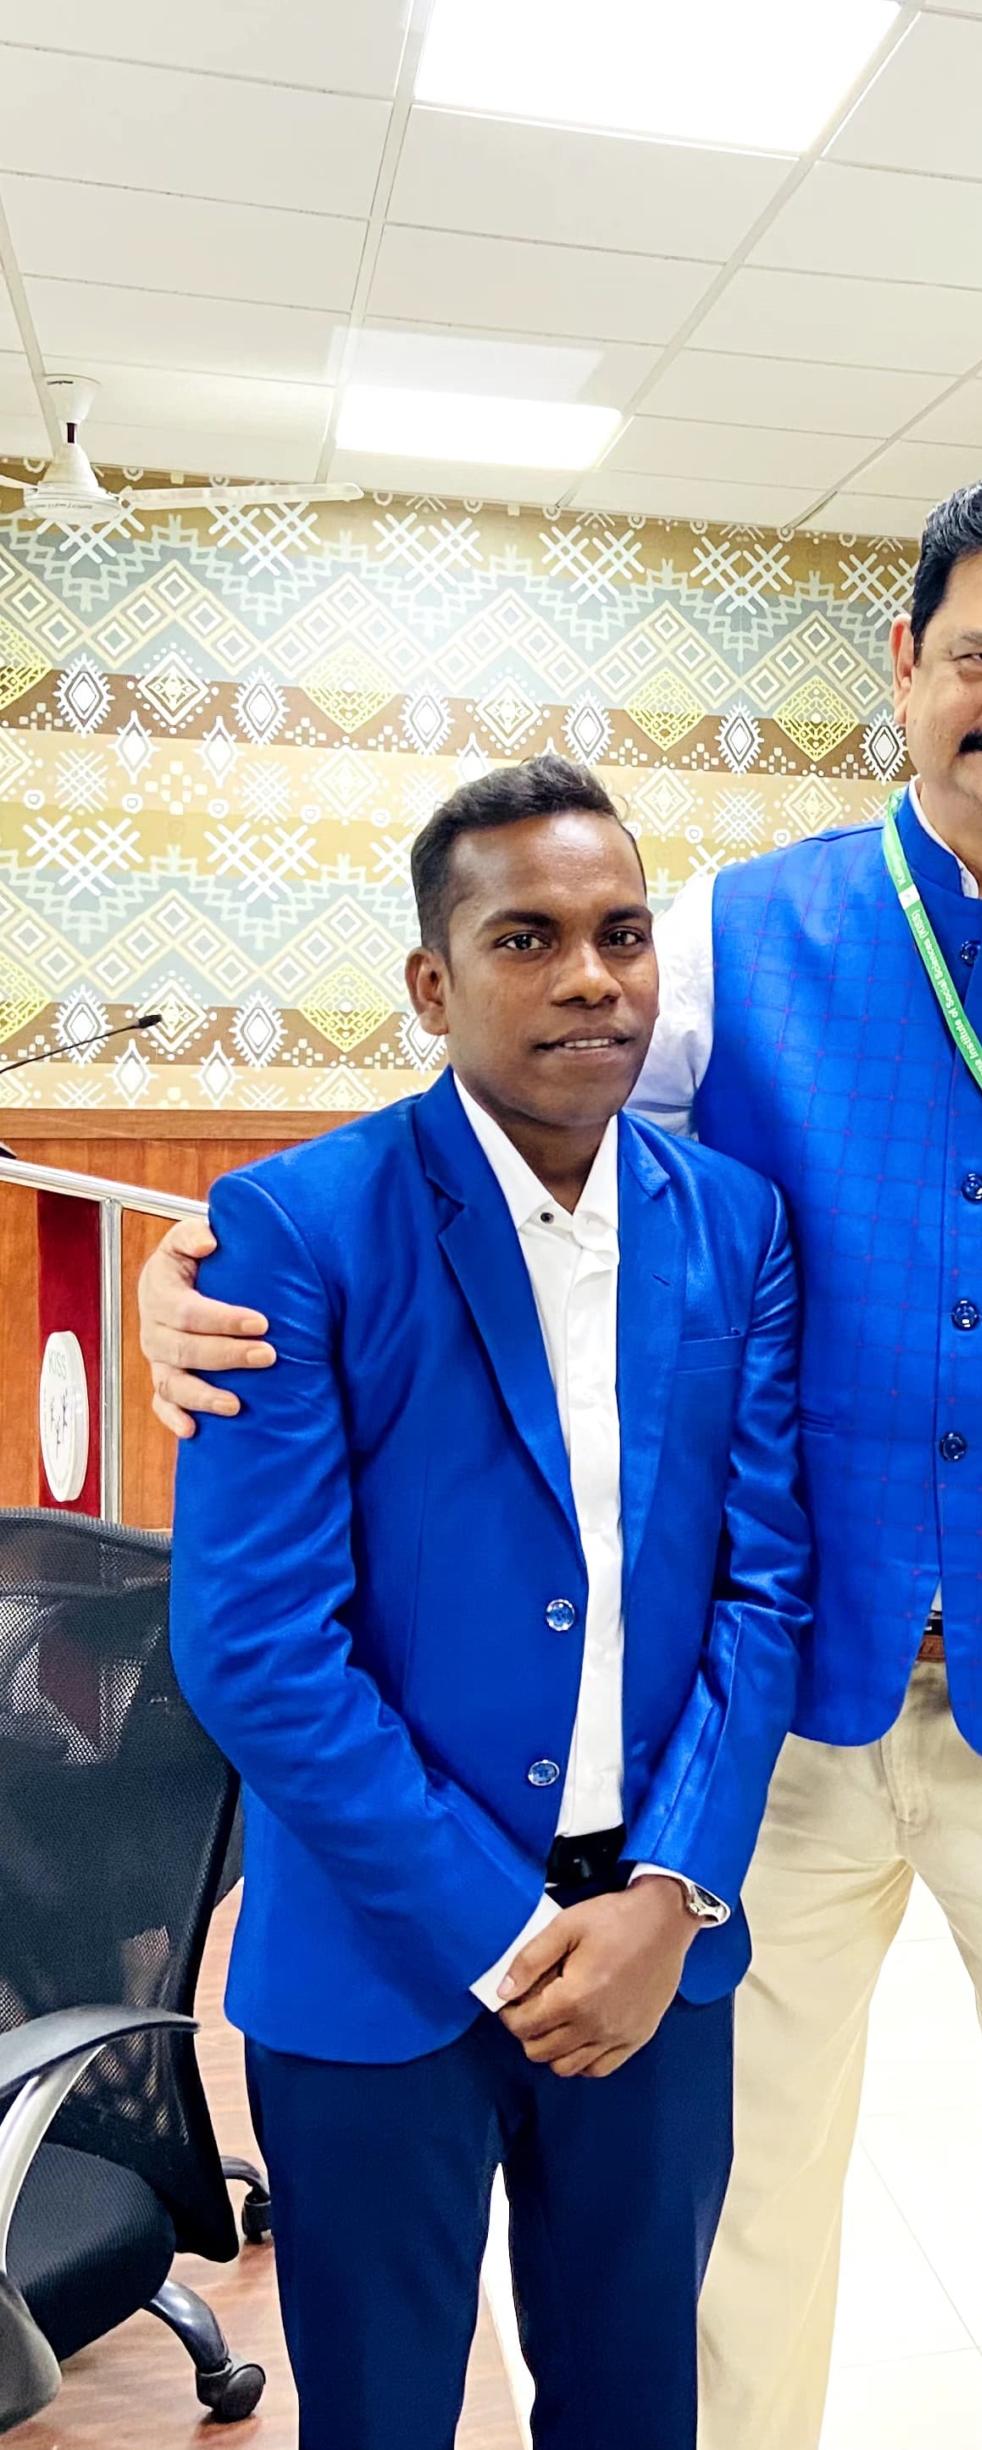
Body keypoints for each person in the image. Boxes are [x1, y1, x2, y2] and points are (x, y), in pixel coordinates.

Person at [143, 468, 982, 2450]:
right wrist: (223, 1260)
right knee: (735, 2215)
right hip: (778, 1703)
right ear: (906, 663)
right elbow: (533, 1142)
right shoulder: (725, 935)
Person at [164, 758, 810, 2450]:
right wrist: (505, 1936)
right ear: (434, 985)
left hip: (652, 1954)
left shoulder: (731, 1224)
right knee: (382, 2415)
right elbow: (253, 1648)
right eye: (528, 938)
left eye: (622, 935)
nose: (591, 978)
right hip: (383, 1956)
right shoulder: (298, 1229)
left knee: (634, 2404)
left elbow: (763, 1589)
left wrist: (669, 1895)